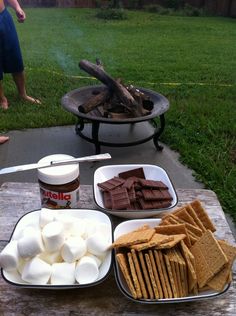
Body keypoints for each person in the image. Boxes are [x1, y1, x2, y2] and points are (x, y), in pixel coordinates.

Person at [0, 0, 40, 110]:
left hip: (4, 18)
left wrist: (17, 8)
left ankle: (23, 94)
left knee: (15, 58)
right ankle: (2, 99)